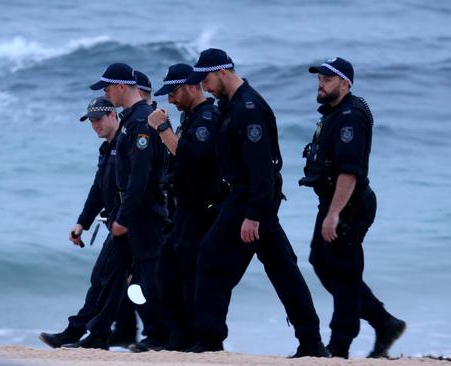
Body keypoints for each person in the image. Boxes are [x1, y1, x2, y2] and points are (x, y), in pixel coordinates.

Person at [185, 49, 328, 357]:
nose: (205, 87)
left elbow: (263, 167)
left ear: (223, 72)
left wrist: (254, 214)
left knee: (210, 257)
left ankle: (209, 342)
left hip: (250, 199)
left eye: (207, 80)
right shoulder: (232, 105)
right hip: (249, 198)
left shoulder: (249, 109)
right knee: (282, 268)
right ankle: (312, 343)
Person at [302, 57, 406, 359]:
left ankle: (340, 346)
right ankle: (384, 322)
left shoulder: (350, 116)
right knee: (321, 261)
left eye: (328, 79)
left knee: (344, 271)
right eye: (319, 79)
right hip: (334, 200)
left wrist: (334, 214)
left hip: (349, 203)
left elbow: (350, 171)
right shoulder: (334, 113)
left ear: (345, 84)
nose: (321, 84)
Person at [66, 63, 168, 350]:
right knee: (110, 276)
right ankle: (97, 335)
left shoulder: (141, 121)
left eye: (108, 88)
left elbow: (140, 176)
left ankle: (160, 336)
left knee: (147, 278)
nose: (106, 93)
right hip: (128, 214)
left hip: (143, 214)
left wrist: (125, 216)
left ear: (122, 87)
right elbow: (108, 181)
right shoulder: (129, 120)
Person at [39, 97, 136, 349]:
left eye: (98, 119)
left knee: (121, 282)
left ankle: (92, 334)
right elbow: (98, 189)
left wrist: (124, 219)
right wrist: (82, 223)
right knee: (105, 280)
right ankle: (88, 333)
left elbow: (139, 185)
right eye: (91, 121)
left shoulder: (126, 143)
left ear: (113, 115)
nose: (95, 125)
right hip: (117, 221)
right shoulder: (107, 148)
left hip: (131, 222)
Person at [147, 63, 221, 351]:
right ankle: (178, 336)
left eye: (174, 92)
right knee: (168, 270)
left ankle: (198, 339)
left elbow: (191, 158)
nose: (171, 100)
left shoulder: (207, 117)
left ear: (192, 86)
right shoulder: (190, 117)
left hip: (202, 207)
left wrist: (162, 128)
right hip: (182, 208)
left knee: (190, 273)